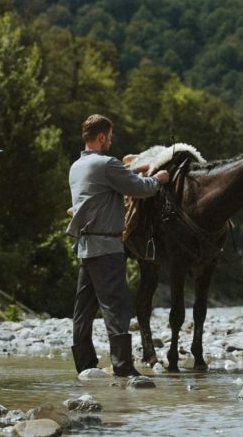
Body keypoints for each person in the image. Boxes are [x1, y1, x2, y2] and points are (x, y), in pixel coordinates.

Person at [66, 114, 169, 377]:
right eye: (110, 136)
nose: (111, 141)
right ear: (101, 136)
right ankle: (123, 367)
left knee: (84, 308)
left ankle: (85, 365)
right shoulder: (107, 163)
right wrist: (159, 179)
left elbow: (106, 184)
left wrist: (134, 169)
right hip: (107, 246)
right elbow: (139, 189)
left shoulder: (77, 166)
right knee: (116, 307)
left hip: (86, 247)